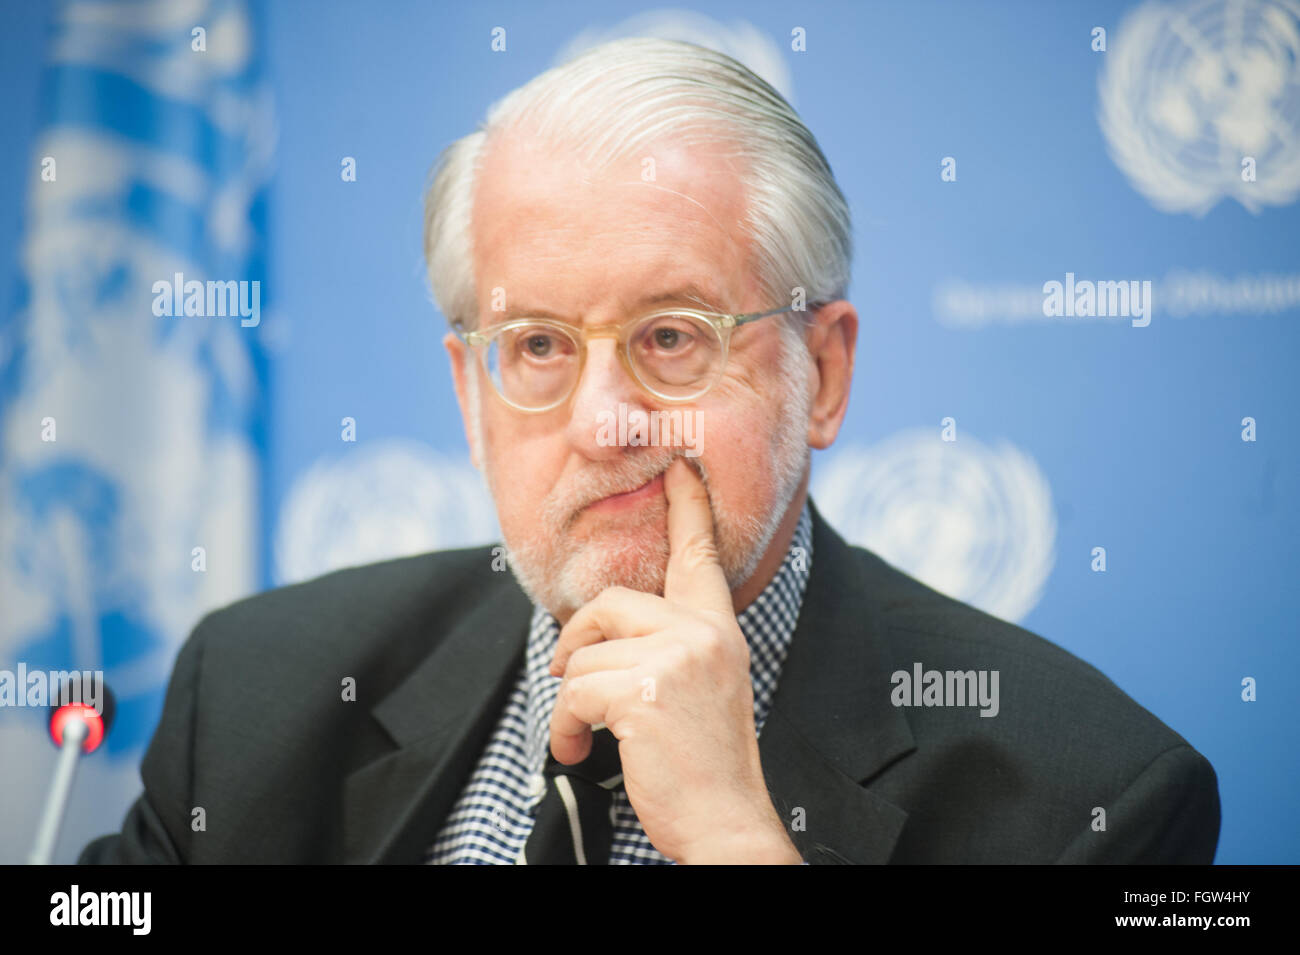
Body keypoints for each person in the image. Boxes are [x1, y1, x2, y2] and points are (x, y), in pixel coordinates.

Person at [80, 37, 1219, 865]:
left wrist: (736, 840)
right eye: (535, 346)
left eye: (671, 337)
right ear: (472, 396)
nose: (604, 420)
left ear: (818, 374)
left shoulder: (1093, 802)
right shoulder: (254, 693)